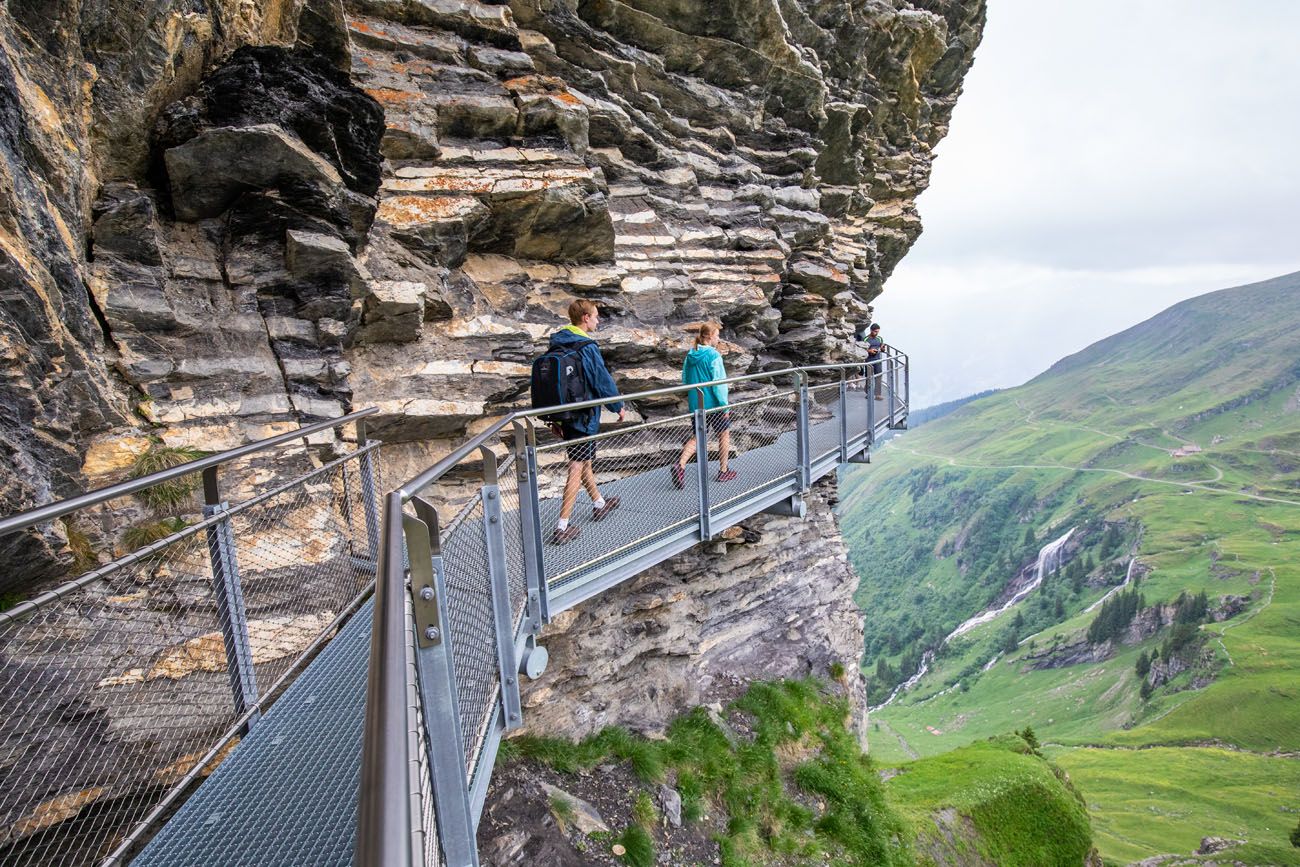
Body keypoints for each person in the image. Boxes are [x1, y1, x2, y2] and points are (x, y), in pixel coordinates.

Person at [547, 300, 625, 545]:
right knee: (577, 466)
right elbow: (600, 379)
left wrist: (555, 418)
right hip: (584, 415)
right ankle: (562, 526)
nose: (598, 320)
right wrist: (617, 406)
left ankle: (599, 503)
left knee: (585, 461)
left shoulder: (558, 342)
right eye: (596, 316)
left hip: (568, 414)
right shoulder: (586, 346)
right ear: (585, 318)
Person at [671, 322, 736, 488]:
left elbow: (685, 379)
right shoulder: (714, 356)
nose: (718, 338)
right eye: (717, 335)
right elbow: (719, 384)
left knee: (698, 437)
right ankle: (723, 470)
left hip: (696, 403)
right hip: (713, 403)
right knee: (724, 434)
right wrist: (725, 407)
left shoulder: (691, 354)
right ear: (709, 336)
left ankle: (680, 465)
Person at [863, 322, 885, 399]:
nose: (876, 333)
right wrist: (869, 351)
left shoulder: (880, 338)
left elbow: (882, 348)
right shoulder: (865, 339)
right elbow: (862, 350)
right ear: (871, 330)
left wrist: (882, 348)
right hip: (869, 360)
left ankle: (878, 394)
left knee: (878, 376)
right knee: (869, 377)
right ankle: (868, 393)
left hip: (878, 360)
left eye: (878, 331)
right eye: (875, 331)